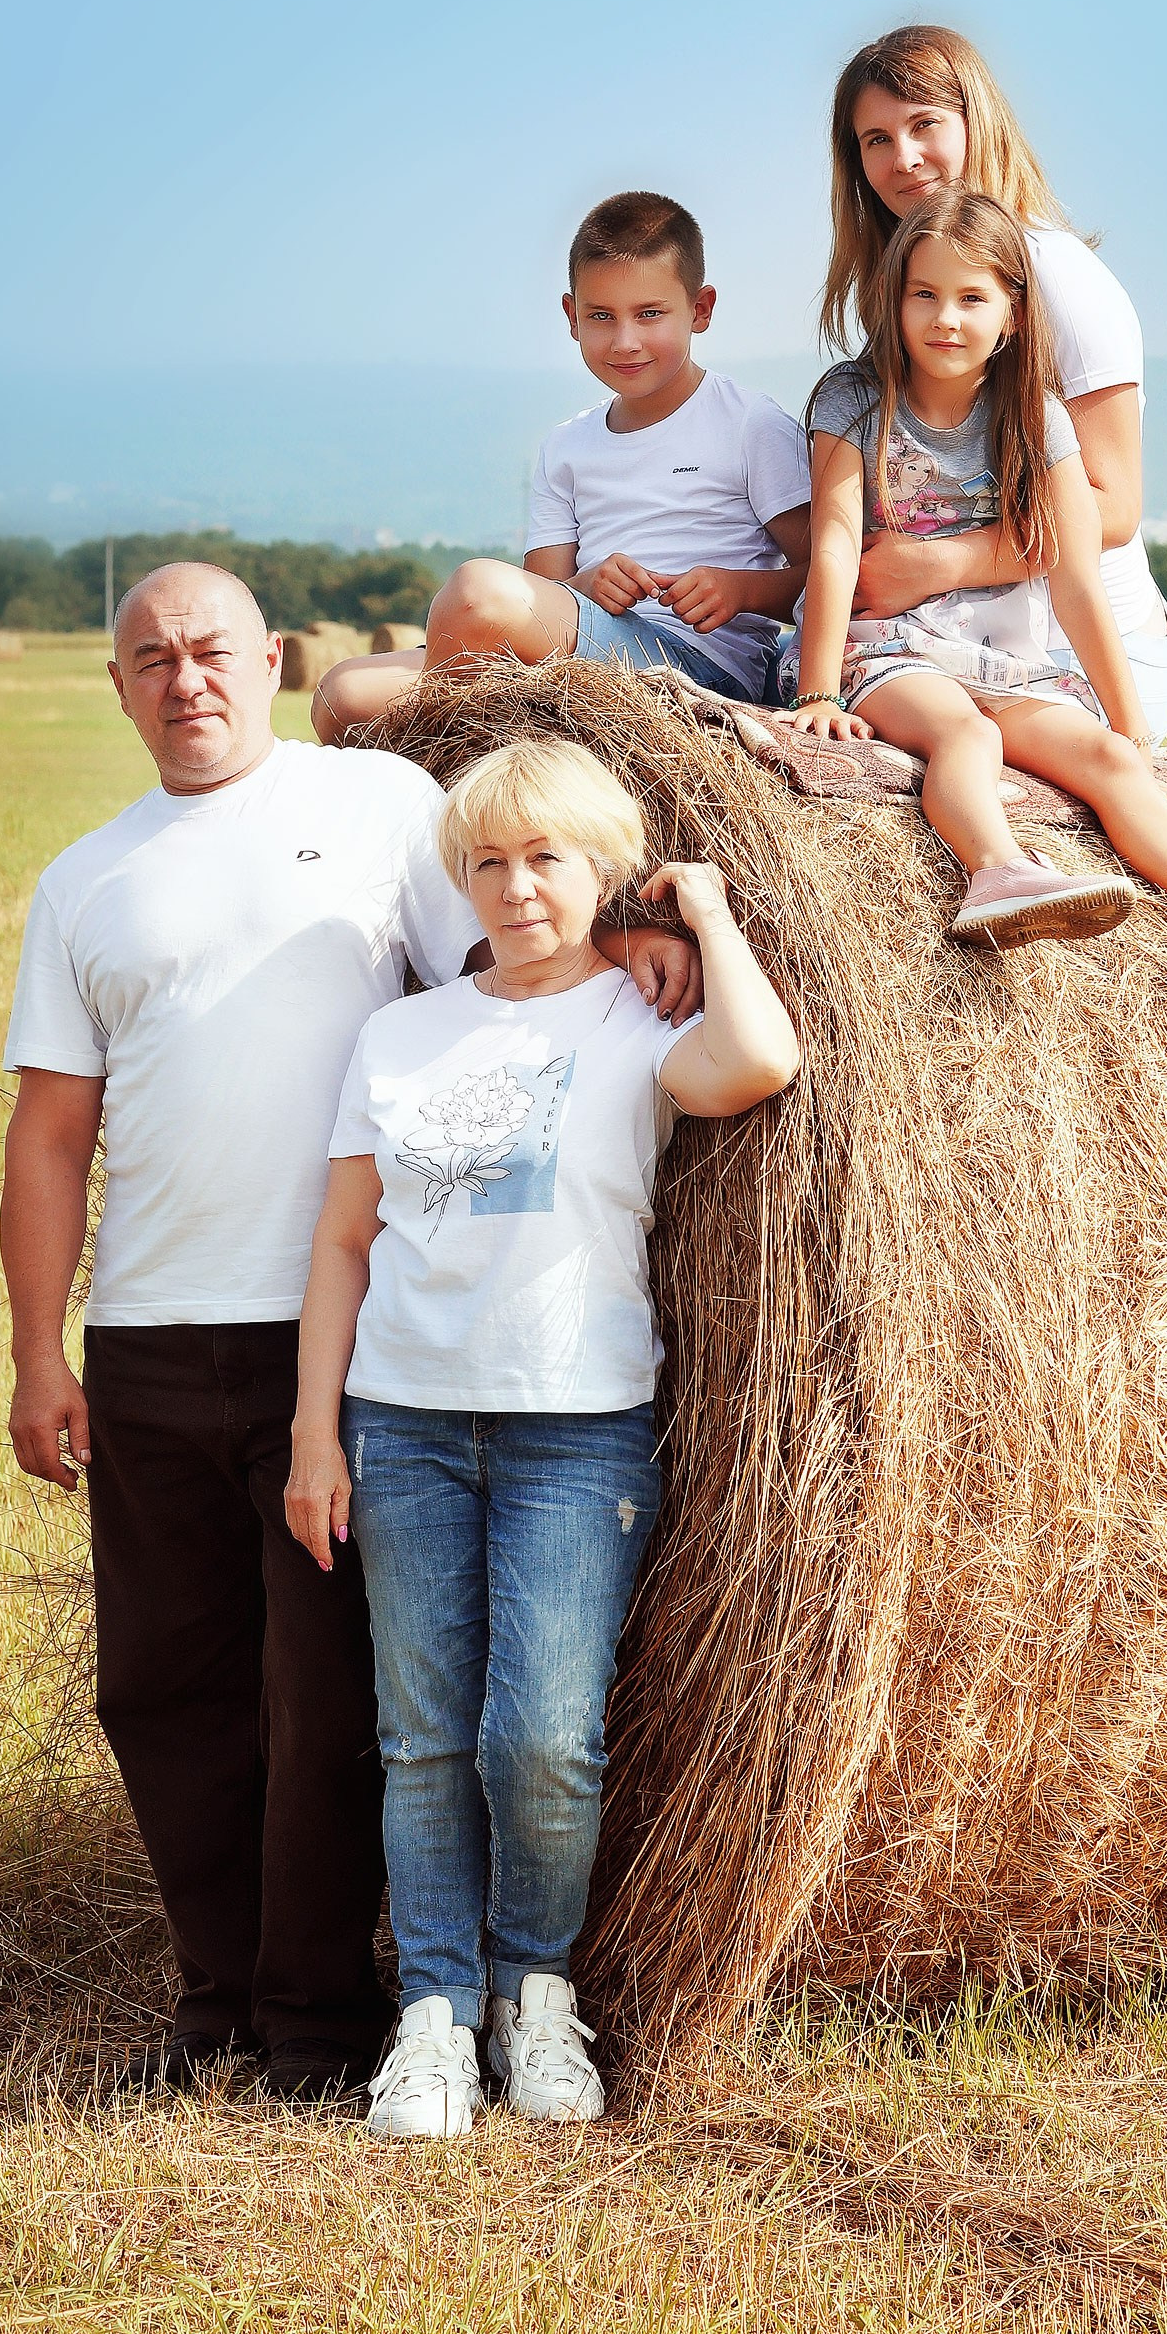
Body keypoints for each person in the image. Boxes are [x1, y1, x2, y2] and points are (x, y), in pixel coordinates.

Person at [0, 564, 700, 2103]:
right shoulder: (85, 880)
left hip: (351, 1341)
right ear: (116, 685)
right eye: (150, 659)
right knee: (163, 1688)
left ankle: (327, 2015)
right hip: (153, 1336)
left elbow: (529, 929)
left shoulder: (379, 804)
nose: (186, 679)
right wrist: (39, 1351)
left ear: (271, 663)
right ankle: (218, 1999)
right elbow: (52, 1134)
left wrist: (655, 927)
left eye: (212, 653)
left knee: (329, 1697)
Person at [286, 737, 799, 2138]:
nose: (516, 889)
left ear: (601, 873)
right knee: (421, 1739)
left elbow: (763, 1057)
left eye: (548, 859)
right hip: (406, 1420)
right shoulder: (402, 1036)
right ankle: (438, 2015)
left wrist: (702, 907)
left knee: (547, 1742)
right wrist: (313, 1436)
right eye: (491, 864)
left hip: (577, 1432)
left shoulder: (635, 1022)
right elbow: (342, 1243)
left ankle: (537, 1989)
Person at [787, 191, 1167, 990]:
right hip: (887, 650)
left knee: (1105, 758)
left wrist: (1133, 730)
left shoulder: (1037, 418)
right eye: (923, 293)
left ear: (1014, 316)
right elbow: (833, 546)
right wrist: (817, 690)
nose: (944, 318)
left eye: (971, 299)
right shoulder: (853, 400)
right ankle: (997, 874)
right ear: (894, 301)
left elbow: (1075, 580)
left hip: (1006, 657)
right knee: (967, 739)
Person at [311, 191, 809, 741]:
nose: (625, 341)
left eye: (650, 314)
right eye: (601, 316)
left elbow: (829, 576)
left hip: (697, 671)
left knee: (477, 590)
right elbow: (543, 592)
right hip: (584, 653)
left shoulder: (750, 424)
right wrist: (586, 583)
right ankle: (476, 755)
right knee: (341, 695)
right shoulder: (565, 446)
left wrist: (739, 590)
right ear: (572, 317)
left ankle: (472, 759)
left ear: (701, 309)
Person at [823, 23, 1167, 740]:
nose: (905, 158)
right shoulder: (910, 285)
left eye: (925, 124)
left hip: (1081, 649)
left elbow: (1112, 507)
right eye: (877, 140)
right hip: (957, 635)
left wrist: (938, 563)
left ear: (975, 121)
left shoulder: (1056, 276)